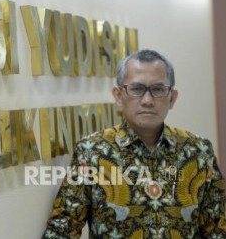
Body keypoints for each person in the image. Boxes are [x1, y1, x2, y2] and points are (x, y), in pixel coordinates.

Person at [42, 49, 226, 238]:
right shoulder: (92, 152)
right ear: (119, 96)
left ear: (172, 98)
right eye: (137, 89)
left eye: (158, 89)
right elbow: (63, 227)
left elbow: (218, 227)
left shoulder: (198, 151)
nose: (147, 100)